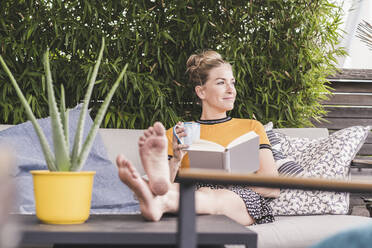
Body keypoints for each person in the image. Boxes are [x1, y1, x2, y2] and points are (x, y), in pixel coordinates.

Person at [116, 50, 279, 225]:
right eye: (221, 83)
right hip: (193, 192)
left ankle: (159, 202)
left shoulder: (251, 127)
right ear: (201, 92)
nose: (231, 90)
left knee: (212, 194)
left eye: (232, 82)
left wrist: (228, 184)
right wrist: (177, 160)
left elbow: (272, 187)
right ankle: (156, 197)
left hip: (239, 198)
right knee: (185, 189)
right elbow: (167, 184)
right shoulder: (178, 133)